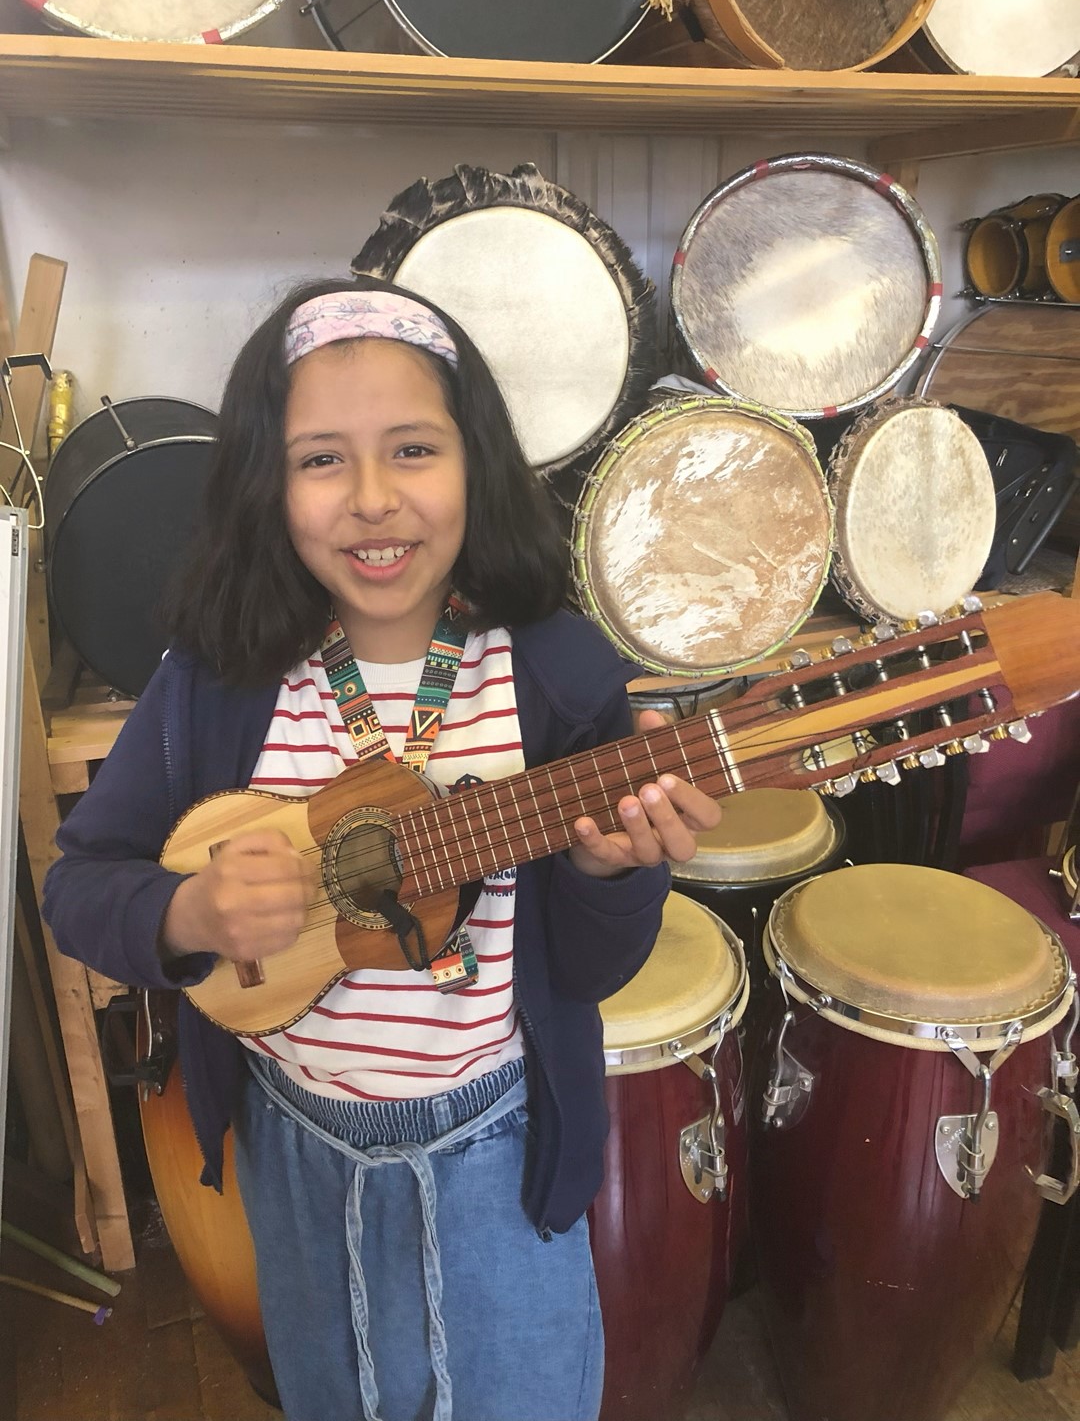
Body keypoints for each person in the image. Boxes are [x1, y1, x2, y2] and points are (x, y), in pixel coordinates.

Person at [42, 276, 722, 1421]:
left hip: (499, 1152)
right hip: (293, 1150)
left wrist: (614, 870)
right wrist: (185, 916)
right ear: (266, 483)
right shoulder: (216, 681)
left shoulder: (554, 680)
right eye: (320, 460)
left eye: (413, 450)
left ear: (477, 463)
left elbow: (592, 971)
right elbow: (76, 885)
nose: (371, 500)